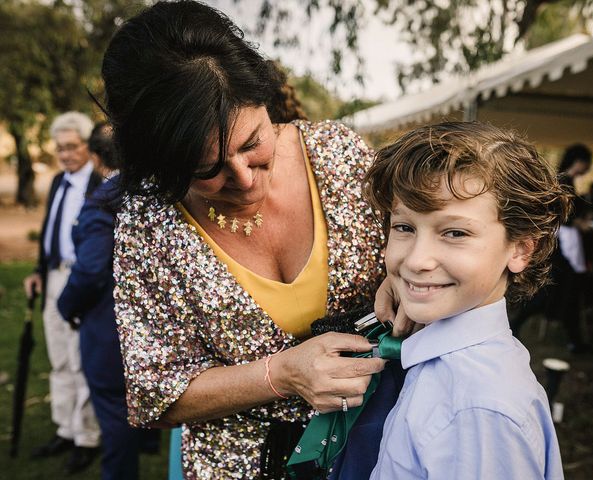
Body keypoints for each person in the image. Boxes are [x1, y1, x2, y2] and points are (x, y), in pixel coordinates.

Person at [101, 2, 388, 478]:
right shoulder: (147, 224)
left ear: (264, 98)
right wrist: (283, 374)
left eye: (253, 144)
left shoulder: (342, 155)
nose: (243, 179)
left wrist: (399, 280)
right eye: (205, 170)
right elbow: (155, 395)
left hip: (375, 449)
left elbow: (424, 252)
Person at [364, 122, 568, 479]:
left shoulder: (475, 409)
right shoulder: (453, 369)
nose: (415, 260)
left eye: (455, 233)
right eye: (404, 228)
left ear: (520, 248)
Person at [56, 123, 159, 480]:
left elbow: (90, 270)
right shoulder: (160, 193)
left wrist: (65, 307)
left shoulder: (103, 201)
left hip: (109, 328)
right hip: (158, 327)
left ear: (97, 159)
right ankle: (147, 443)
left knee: (115, 421)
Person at [23, 111, 102, 474]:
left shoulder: (100, 183)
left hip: (83, 278)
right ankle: (65, 429)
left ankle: (87, 435)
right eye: (60, 149)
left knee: (81, 359)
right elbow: (50, 228)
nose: (65, 155)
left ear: (88, 147)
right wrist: (39, 271)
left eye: (72, 147)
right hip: (54, 276)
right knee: (58, 358)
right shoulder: (58, 181)